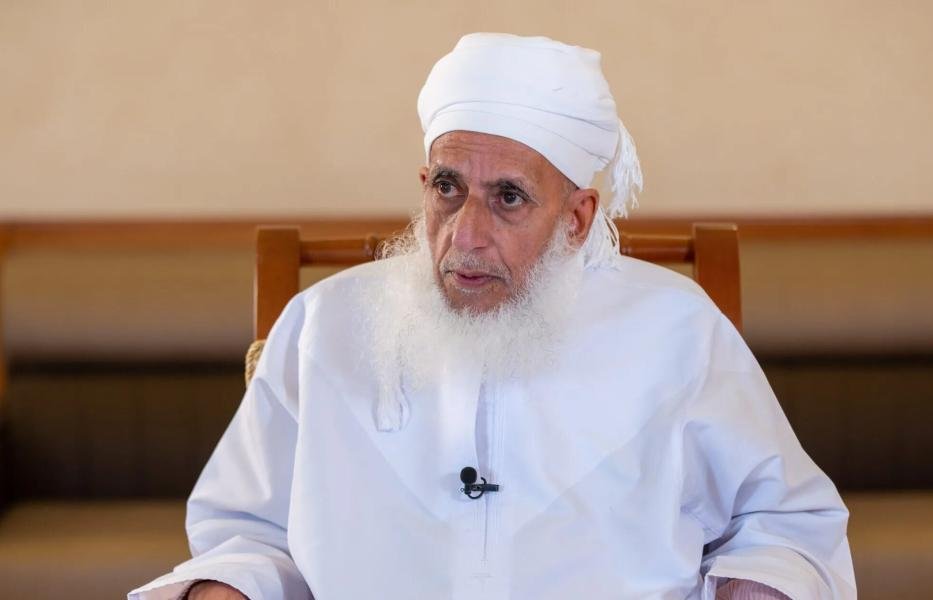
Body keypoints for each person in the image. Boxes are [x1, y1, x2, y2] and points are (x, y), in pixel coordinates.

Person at [130, 33, 856, 600]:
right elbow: (249, 536)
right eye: (448, 189)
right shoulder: (324, 324)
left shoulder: (676, 330)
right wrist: (225, 588)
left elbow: (783, 526)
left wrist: (760, 584)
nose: (466, 236)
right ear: (424, 184)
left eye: (508, 198)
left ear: (577, 219)